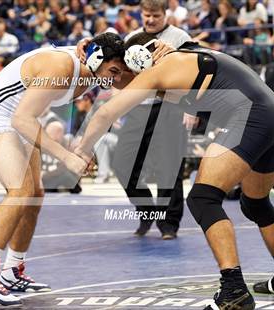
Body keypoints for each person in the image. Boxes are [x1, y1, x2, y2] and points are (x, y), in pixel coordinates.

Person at [71, 32, 274, 309]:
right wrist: (85, 44)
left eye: (114, 73)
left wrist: (82, 150)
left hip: (252, 115)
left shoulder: (158, 70)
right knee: (256, 204)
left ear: (135, 60)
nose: (112, 82)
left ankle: (233, 291)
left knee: (203, 198)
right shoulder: (177, 58)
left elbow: (105, 113)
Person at [0, 33, 128, 306]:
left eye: (118, 73)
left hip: (23, 119)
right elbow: (22, 119)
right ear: (97, 58)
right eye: (113, 71)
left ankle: (12, 271)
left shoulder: (97, 68)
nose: (115, 79)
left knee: (35, 195)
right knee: (20, 192)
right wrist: (67, 157)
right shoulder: (61, 67)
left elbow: (133, 54)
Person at [78, 0, 192, 240]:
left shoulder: (179, 37)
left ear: (165, 14)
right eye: (146, 15)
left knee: (168, 167)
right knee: (122, 163)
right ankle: (147, 211)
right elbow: (116, 68)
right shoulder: (131, 37)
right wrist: (85, 44)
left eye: (155, 16)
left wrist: (191, 108)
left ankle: (169, 224)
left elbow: (193, 71)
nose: (150, 20)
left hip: (170, 106)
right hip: (138, 107)